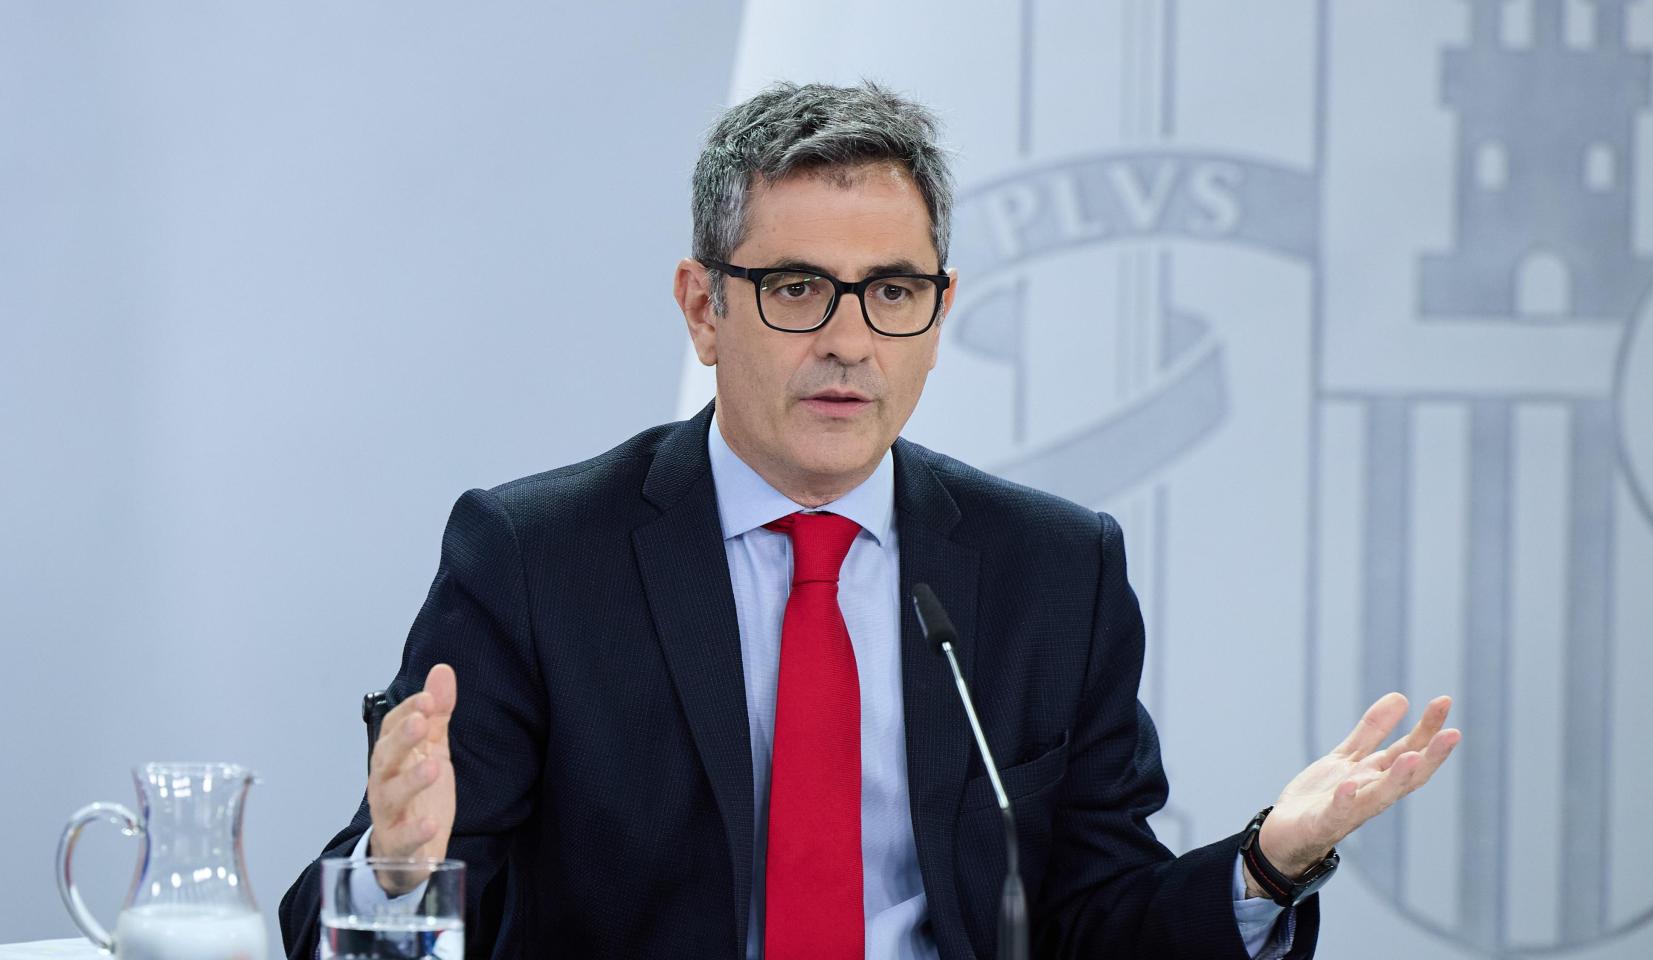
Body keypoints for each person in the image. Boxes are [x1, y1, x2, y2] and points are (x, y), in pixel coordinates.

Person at [279, 81, 1459, 959]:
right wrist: (398, 872)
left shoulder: (1053, 570)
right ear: (702, 308)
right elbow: (335, 926)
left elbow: (1096, 922)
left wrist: (1266, 863)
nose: (848, 340)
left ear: (938, 314)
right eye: (797, 288)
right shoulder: (537, 558)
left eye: (892, 292)